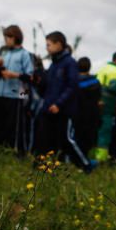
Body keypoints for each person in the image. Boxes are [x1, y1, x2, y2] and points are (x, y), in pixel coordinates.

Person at [34, 31, 91, 171]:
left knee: (67, 141)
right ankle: (42, 165)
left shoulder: (70, 63)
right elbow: (46, 88)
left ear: (59, 44)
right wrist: (39, 76)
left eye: (49, 45)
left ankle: (85, 165)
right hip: (49, 108)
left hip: (63, 110)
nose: (47, 48)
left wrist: (59, 104)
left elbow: (72, 87)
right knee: (45, 138)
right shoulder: (54, 65)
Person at [0, 25, 33, 152]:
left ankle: (15, 151)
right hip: (0, 93)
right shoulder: (4, 53)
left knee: (13, 125)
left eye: (8, 37)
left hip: (16, 95)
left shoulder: (25, 55)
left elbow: (30, 77)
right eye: (5, 38)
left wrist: (14, 75)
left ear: (16, 38)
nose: (6, 40)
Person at [94, 51, 116, 161]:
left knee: (99, 132)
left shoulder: (103, 68)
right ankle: (101, 160)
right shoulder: (114, 71)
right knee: (105, 133)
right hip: (107, 106)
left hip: (98, 104)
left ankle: (97, 156)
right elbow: (114, 87)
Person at [74, 56, 101, 159]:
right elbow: (98, 99)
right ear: (89, 67)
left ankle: (76, 158)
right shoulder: (96, 82)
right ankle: (86, 157)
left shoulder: (74, 82)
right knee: (88, 138)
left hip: (77, 113)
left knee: (77, 137)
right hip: (91, 114)